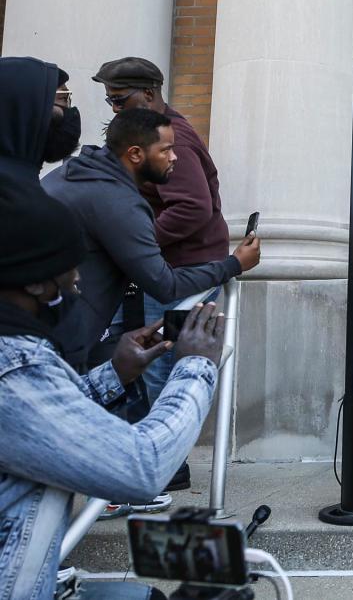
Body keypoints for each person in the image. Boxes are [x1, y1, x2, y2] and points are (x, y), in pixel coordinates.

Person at [0, 179, 225, 600]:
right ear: (32, 283)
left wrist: (114, 374)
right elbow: (142, 467)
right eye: (71, 269)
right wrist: (195, 366)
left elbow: (42, 426)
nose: (77, 284)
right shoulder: (14, 366)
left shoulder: (17, 361)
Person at [94, 57, 233, 491]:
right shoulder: (153, 132)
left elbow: (194, 206)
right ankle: (159, 465)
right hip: (171, 268)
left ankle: (165, 468)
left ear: (150, 94)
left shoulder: (177, 142)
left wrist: (138, 244)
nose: (114, 108)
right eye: (110, 100)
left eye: (120, 99)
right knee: (149, 361)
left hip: (185, 271)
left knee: (159, 366)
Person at [42, 108, 260, 372]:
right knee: (158, 377)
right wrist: (234, 264)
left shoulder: (77, 172)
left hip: (51, 328)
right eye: (165, 150)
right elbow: (164, 285)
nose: (175, 157)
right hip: (59, 339)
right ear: (135, 154)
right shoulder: (118, 202)